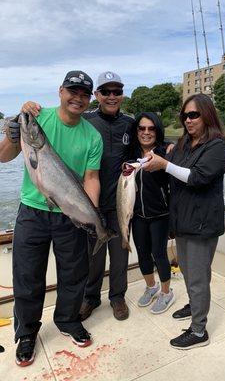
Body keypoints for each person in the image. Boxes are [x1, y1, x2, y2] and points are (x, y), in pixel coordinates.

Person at [0, 71, 103, 366]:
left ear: (89, 100)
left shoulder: (92, 136)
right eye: (73, 92)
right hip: (32, 212)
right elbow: (4, 157)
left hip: (70, 215)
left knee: (74, 275)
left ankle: (68, 320)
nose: (78, 98)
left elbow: (91, 178)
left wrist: (90, 215)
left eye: (84, 95)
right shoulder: (36, 117)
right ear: (60, 92)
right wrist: (12, 131)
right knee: (27, 277)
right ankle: (28, 333)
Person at [22, 71, 134, 321]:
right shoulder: (87, 119)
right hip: (84, 203)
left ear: (122, 95)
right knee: (91, 258)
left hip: (117, 200)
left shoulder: (130, 122)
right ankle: (90, 298)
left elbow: (142, 148)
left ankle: (117, 298)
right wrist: (26, 110)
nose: (112, 96)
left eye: (117, 91)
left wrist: (164, 149)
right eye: (106, 91)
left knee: (119, 255)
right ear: (98, 96)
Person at [143, 93, 225, 349]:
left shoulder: (216, 146)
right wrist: (155, 159)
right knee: (190, 272)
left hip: (203, 225)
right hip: (182, 222)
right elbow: (171, 170)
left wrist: (165, 164)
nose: (188, 120)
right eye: (185, 116)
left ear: (207, 115)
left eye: (194, 115)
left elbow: (198, 177)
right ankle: (194, 306)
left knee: (198, 278)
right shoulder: (182, 144)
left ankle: (199, 331)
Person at [130, 112, 175, 314]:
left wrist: (173, 149)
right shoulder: (130, 152)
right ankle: (151, 287)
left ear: (157, 130)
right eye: (142, 128)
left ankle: (166, 292)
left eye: (151, 128)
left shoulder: (167, 150)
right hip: (137, 215)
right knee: (142, 253)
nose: (146, 132)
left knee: (159, 254)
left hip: (160, 215)